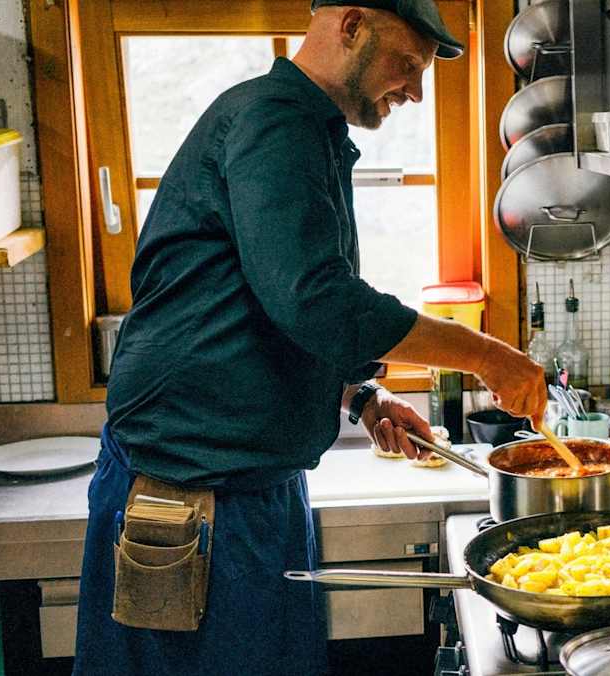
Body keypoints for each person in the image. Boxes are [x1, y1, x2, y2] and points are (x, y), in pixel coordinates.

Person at [73, 2, 546, 674]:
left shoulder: (306, 130)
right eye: (406, 64)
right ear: (350, 26)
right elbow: (314, 301)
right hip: (189, 498)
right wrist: (488, 357)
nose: (414, 88)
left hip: (249, 485)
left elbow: (266, 302)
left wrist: (361, 396)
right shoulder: (275, 120)